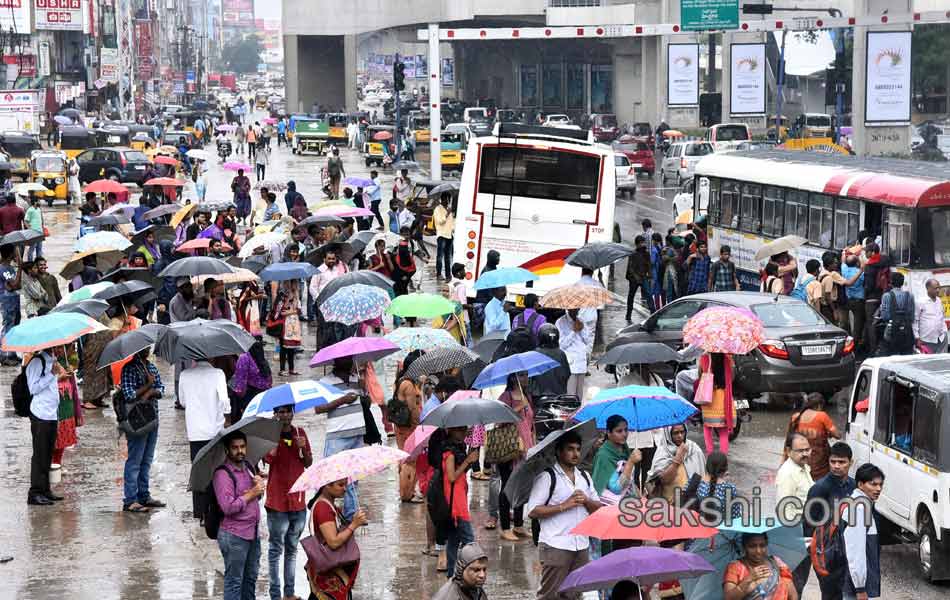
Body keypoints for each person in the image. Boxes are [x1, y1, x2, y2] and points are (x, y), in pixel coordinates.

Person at [527, 430, 601, 600]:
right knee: (550, 595)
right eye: (570, 449)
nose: (575, 454)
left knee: (574, 594)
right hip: (556, 544)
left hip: (581, 545)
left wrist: (586, 501)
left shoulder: (585, 477)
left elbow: (598, 507)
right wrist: (564, 505)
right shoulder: (547, 477)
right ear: (559, 452)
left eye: (578, 449)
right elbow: (533, 511)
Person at [263, 405, 312, 600]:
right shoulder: (269, 436)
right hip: (277, 502)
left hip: (298, 500)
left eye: (287, 411)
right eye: (280, 412)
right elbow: (267, 459)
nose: (284, 415)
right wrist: (273, 445)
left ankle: (289, 593)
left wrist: (302, 448)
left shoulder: (301, 433)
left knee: (292, 548)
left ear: (292, 413)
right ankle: (275, 595)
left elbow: (308, 463)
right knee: (275, 549)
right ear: (275, 414)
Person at [213, 431, 266, 600]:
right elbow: (228, 507)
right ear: (227, 450)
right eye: (235, 448)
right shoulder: (222, 474)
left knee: (250, 579)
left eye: (242, 447)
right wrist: (252, 493)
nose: (240, 451)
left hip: (252, 533)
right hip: (234, 535)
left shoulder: (249, 467)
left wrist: (259, 487)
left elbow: (257, 497)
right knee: (234, 582)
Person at [315, 358, 365, 521]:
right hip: (337, 434)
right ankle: (325, 512)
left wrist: (365, 393)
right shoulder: (325, 381)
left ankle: (351, 514)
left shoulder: (356, 378)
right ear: (337, 361)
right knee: (330, 475)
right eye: (347, 359)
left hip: (357, 432)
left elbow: (365, 404)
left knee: (354, 477)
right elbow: (318, 408)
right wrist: (342, 400)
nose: (350, 361)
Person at [180, 358, 231, 519]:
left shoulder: (184, 375)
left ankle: (200, 511)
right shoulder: (218, 374)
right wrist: (226, 417)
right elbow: (224, 401)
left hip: (195, 432)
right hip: (214, 432)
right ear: (211, 357)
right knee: (217, 471)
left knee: (198, 472)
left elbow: (182, 402)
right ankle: (215, 508)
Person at [804, 442, 855, 600]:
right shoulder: (820, 488)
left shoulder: (854, 486)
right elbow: (808, 522)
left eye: (841, 462)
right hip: (826, 552)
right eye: (833, 462)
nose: (836, 466)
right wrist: (815, 551)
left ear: (850, 462)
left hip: (848, 550)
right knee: (830, 594)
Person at [119, 348, 165, 513]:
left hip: (153, 418)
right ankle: (130, 500)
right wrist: (148, 386)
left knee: (147, 459)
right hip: (136, 421)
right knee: (135, 460)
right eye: (144, 348)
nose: (147, 350)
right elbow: (129, 394)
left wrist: (152, 390)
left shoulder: (151, 367)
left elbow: (161, 388)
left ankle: (144, 495)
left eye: (148, 347)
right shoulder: (129, 369)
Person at [307, 477, 367, 600]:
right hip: (328, 573)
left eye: (345, 485)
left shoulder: (329, 504)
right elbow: (333, 542)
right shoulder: (323, 508)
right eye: (340, 485)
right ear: (327, 485)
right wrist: (354, 525)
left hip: (328, 570)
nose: (345, 489)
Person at [496, 372, 536, 542]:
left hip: (526, 448)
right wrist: (517, 409)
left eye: (526, 375)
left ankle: (518, 524)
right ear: (513, 377)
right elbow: (498, 421)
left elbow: (531, 423)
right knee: (507, 487)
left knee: (521, 486)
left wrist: (533, 444)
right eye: (521, 375)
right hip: (510, 449)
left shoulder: (527, 395)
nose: (525, 378)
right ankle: (505, 527)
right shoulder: (505, 397)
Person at [776, 432, 814, 594]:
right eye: (800, 451)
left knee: (801, 579)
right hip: (796, 532)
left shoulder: (803, 468)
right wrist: (794, 540)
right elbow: (784, 510)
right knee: (794, 581)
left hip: (806, 528)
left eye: (807, 449)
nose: (805, 453)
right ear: (788, 451)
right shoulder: (787, 474)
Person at [26, 349, 65, 506]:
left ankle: (45, 490)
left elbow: (51, 387)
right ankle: (35, 493)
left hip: (51, 414)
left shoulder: (53, 360)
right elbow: (33, 388)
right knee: (39, 456)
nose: (63, 348)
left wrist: (57, 374)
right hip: (40, 414)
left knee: (48, 454)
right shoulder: (37, 362)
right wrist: (51, 374)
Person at [842, 464, 885, 600]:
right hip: (854, 586)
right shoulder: (860, 509)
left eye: (880, 485)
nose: (878, 489)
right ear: (860, 484)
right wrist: (860, 588)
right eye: (873, 484)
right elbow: (856, 550)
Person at [723, 532, 798, 600]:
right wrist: (748, 580)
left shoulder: (776, 562)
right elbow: (729, 598)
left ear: (767, 544)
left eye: (762, 546)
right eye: (752, 546)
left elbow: (793, 595)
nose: (758, 551)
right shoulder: (735, 567)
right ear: (744, 546)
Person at [647, 423, 706, 503]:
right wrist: (677, 459)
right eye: (676, 433)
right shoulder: (663, 451)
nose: (680, 436)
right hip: (670, 503)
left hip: (693, 501)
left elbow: (703, 475)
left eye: (682, 432)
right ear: (668, 434)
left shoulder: (693, 448)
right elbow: (664, 480)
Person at [787, 393, 839, 481]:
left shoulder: (795, 417)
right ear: (819, 405)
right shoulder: (821, 416)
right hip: (819, 461)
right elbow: (837, 435)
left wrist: (783, 461)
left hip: (801, 459)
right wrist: (829, 433)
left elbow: (788, 441)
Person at [591, 415, 639, 507]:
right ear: (609, 433)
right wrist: (630, 462)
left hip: (628, 502)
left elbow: (630, 480)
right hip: (611, 505)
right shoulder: (604, 455)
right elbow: (617, 488)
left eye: (626, 430)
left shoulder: (625, 449)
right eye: (619, 431)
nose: (624, 434)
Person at [698, 352, 734, 455]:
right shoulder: (727, 358)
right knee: (723, 431)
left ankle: (710, 455)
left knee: (707, 427)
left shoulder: (704, 357)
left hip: (709, 396)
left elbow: (701, 375)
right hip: (724, 396)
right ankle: (723, 459)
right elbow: (732, 377)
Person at [556, 308, 593, 401]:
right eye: (574, 309)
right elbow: (562, 344)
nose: (576, 311)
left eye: (578, 309)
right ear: (568, 309)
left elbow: (587, 340)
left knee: (579, 397)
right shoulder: (561, 322)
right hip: (570, 365)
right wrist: (573, 331)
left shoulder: (581, 320)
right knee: (570, 397)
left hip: (581, 362)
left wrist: (582, 329)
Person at [230, 340, 272, 420]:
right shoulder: (263, 360)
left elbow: (240, 385)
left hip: (249, 398)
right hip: (263, 398)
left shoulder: (244, 358)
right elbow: (269, 381)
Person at [875, 271, 915, 356]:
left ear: (891, 282)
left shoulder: (887, 296)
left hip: (891, 331)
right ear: (902, 282)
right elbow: (912, 317)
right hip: (907, 331)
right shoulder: (910, 296)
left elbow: (885, 316)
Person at [696, 450, 742, 521]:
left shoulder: (695, 483)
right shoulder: (729, 488)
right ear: (725, 469)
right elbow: (735, 516)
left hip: (698, 527)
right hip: (721, 529)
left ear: (707, 466)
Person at [862, 243, 890, 354]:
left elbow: (868, 285)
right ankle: (883, 347)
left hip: (872, 299)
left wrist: (865, 294)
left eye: (867, 252)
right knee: (884, 322)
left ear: (872, 252)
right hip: (885, 296)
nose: (865, 254)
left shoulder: (869, 266)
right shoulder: (886, 261)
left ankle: (873, 350)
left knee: (871, 324)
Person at [271, 280, 303, 376]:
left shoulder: (296, 296)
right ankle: (282, 369)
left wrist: (295, 300)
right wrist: (290, 304)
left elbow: (299, 311)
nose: (294, 286)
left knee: (292, 348)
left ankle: (291, 369)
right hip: (283, 325)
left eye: (295, 283)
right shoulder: (281, 296)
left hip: (293, 324)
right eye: (292, 283)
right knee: (283, 348)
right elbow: (279, 312)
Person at [531, 324, 571, 398]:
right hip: (558, 395)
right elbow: (567, 374)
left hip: (539, 395)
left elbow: (531, 376)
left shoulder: (535, 353)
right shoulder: (561, 354)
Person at [914, 278, 947, 354]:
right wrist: (917, 337)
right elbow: (915, 321)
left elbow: (941, 317)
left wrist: (944, 332)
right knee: (929, 364)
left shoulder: (939, 300)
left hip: (941, 338)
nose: (938, 290)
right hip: (926, 340)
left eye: (939, 288)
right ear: (928, 289)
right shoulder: (920, 302)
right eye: (935, 288)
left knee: (942, 363)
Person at [841, 254, 866, 350]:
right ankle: (854, 347)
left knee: (849, 322)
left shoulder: (844, 269)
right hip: (858, 301)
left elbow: (843, 261)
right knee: (857, 325)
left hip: (849, 300)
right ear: (857, 263)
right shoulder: (861, 274)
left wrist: (844, 253)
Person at [625, 235, 653, 318]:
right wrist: (636, 277)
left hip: (643, 277)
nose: (643, 244)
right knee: (631, 296)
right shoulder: (633, 254)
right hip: (634, 279)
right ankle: (628, 313)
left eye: (643, 242)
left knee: (649, 294)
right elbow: (630, 267)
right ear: (637, 244)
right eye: (641, 243)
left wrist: (650, 275)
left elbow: (649, 265)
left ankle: (653, 313)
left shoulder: (646, 254)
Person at [433, 194, 455, 280]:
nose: (448, 202)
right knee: (440, 256)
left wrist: (453, 229)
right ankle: (438, 274)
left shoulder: (448, 210)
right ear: (442, 200)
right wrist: (447, 214)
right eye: (446, 199)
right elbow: (439, 221)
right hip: (441, 235)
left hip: (449, 235)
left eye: (448, 200)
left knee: (448, 257)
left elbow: (452, 222)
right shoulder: (437, 209)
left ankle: (448, 275)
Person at [24, 195, 43, 260]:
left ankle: (39, 262)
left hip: (40, 232)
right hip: (33, 232)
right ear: (35, 202)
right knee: (32, 248)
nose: (40, 202)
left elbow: (41, 220)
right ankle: (30, 262)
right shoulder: (30, 210)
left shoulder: (38, 209)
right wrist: (30, 230)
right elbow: (26, 221)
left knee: (39, 248)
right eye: (39, 201)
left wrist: (42, 228)